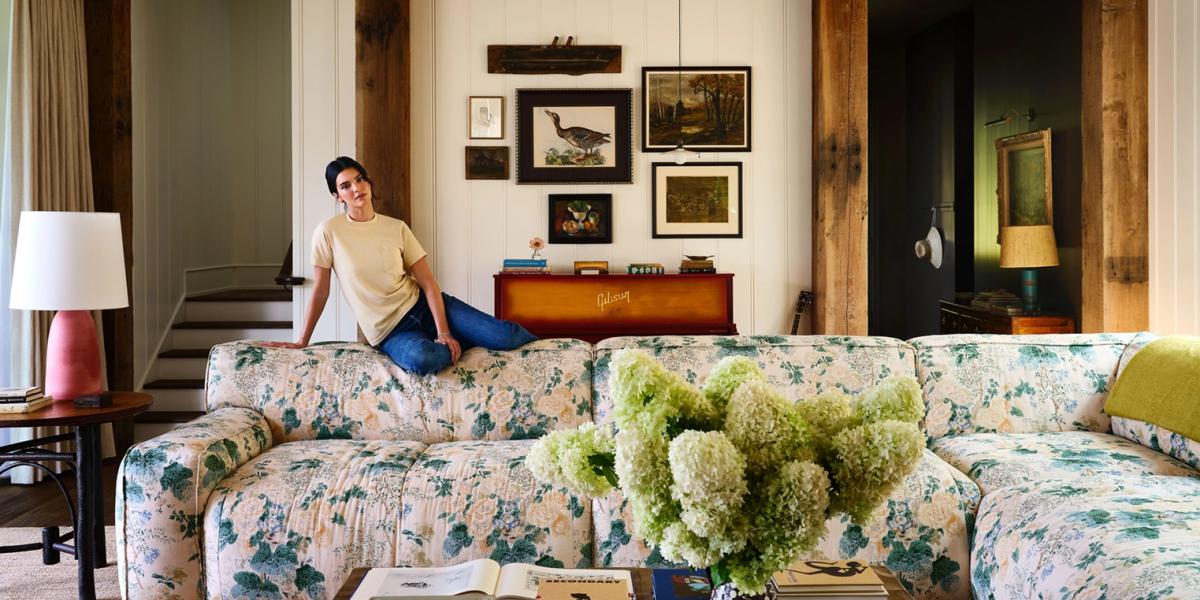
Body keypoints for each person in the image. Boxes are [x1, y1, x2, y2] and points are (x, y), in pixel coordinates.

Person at [271, 156, 537, 374]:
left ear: (369, 182)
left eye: (360, 179)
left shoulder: (396, 228)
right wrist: (302, 340)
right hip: (390, 332)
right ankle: (464, 342)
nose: (356, 188)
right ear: (337, 196)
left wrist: (444, 330)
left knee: (505, 337)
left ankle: (551, 348)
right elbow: (321, 291)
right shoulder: (328, 232)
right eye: (345, 186)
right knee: (424, 360)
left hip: (423, 306)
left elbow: (428, 282)